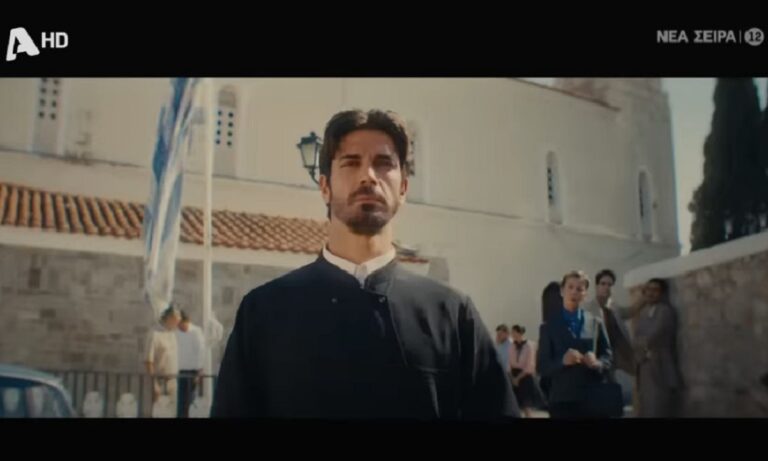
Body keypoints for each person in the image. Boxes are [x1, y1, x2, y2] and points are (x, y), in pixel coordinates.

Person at [212, 109, 519, 419]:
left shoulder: (451, 314)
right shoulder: (265, 311)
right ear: (325, 187)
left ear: (403, 188)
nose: (368, 176)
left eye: (383, 163)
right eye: (351, 162)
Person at [537, 270, 615, 418]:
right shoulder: (548, 327)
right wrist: (562, 361)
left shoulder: (595, 323)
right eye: (570, 287)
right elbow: (542, 366)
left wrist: (597, 363)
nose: (574, 292)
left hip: (592, 399)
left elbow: (608, 357)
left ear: (585, 294)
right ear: (562, 291)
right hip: (561, 401)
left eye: (579, 289)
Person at [607, 278, 682, 417]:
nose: (651, 293)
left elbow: (654, 336)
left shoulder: (665, 312)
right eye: (648, 290)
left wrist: (640, 344)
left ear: (662, 293)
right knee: (647, 405)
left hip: (660, 366)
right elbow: (637, 336)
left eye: (655, 290)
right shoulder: (644, 312)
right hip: (644, 365)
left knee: (659, 405)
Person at [145, 305, 181, 410]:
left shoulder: (173, 334)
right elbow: (149, 361)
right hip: (159, 381)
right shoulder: (154, 334)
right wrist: (154, 384)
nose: (177, 324)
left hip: (173, 381)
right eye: (175, 321)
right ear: (169, 318)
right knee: (158, 411)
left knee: (172, 411)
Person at [176, 309, 206, 418]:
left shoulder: (196, 332)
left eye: (181, 323)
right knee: (180, 401)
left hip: (192, 371)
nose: (180, 326)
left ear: (186, 321)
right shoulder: (176, 332)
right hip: (179, 371)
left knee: (189, 399)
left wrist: (199, 370)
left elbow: (200, 351)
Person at [508, 325, 543, 417]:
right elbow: (510, 362)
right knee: (515, 404)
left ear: (519, 333)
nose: (512, 334)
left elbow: (530, 365)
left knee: (526, 404)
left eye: (514, 332)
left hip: (525, 376)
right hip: (514, 374)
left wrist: (518, 378)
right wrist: (512, 378)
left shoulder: (529, 345)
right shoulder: (512, 345)